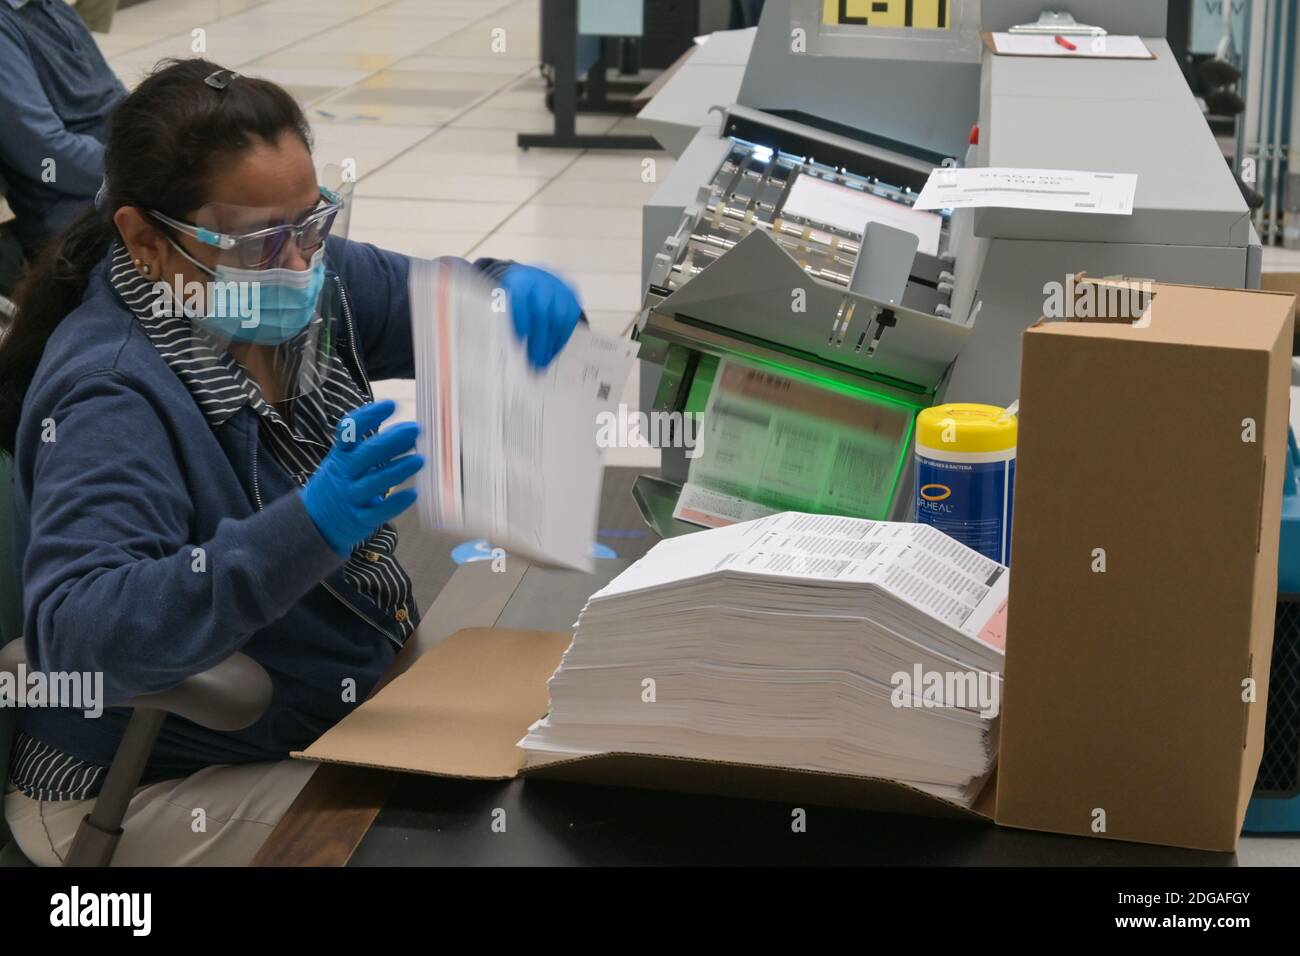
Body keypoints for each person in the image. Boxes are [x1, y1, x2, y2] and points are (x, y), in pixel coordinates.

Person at [0, 58, 585, 866]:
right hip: (150, 783)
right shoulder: (113, 393)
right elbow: (82, 634)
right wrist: (306, 528)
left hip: (327, 701)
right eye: (259, 240)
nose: (298, 263)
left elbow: (440, 298)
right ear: (144, 239)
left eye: (312, 224)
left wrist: (506, 295)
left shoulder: (305, 281)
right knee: (475, 842)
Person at [0, 0, 127, 258]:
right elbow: (44, 150)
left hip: (117, 178)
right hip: (78, 212)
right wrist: (132, 168)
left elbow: (113, 95)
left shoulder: (50, 6)